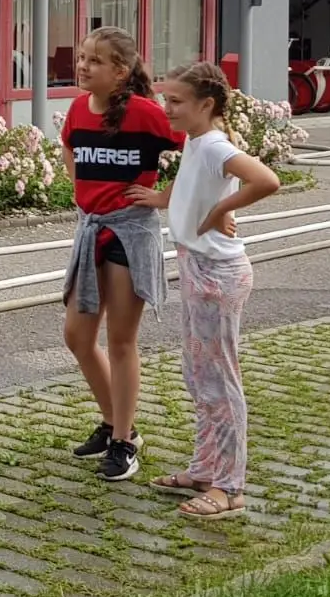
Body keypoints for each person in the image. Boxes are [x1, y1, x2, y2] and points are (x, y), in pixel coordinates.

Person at [127, 62, 279, 519]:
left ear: (205, 105)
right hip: (197, 268)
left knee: (220, 380)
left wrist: (220, 211)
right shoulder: (198, 142)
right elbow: (196, 180)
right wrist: (163, 199)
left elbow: (267, 180)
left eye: (175, 102)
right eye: (165, 99)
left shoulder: (214, 144)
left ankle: (230, 487)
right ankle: (204, 469)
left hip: (218, 273)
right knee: (197, 374)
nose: (165, 108)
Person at [59, 26, 182, 481]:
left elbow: (206, 148)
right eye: (82, 56)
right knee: (77, 335)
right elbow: (69, 148)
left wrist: (164, 197)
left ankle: (125, 441)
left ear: (120, 71)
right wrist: (82, 191)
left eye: (94, 60)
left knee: (121, 340)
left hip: (130, 233)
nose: (83, 66)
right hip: (91, 230)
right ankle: (114, 422)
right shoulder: (77, 108)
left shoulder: (147, 114)